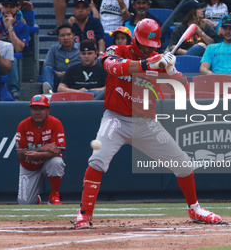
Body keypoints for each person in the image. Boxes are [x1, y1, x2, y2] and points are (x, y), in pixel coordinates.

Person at [72, 18, 222, 229]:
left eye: (151, 47)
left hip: (145, 123)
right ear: (135, 39)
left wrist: (172, 72)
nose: (146, 50)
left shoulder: (158, 60)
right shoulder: (119, 49)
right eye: (143, 45)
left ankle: (194, 209)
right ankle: (84, 214)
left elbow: (183, 93)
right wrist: (147, 64)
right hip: (116, 118)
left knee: (184, 164)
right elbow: (110, 65)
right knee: (97, 160)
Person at [15, 94, 66, 205]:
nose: (38, 112)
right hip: (29, 167)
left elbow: (57, 151)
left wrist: (37, 154)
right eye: (34, 109)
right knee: (25, 203)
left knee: (57, 162)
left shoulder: (55, 123)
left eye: (41, 109)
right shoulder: (23, 125)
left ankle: (54, 195)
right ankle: (35, 198)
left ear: (48, 110)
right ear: (30, 110)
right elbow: (20, 154)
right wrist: (43, 148)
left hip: (47, 164)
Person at [0, 0, 30, 100]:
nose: (8, 10)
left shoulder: (23, 26)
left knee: (12, 59)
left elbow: (19, 48)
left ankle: (14, 91)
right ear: (2, 8)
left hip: (11, 58)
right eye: (6, 6)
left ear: (17, 8)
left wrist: (10, 27)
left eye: (11, 7)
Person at [42, 24, 81, 93]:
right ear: (58, 38)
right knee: (47, 69)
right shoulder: (53, 49)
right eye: (62, 35)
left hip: (77, 78)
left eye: (68, 34)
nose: (66, 38)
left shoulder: (80, 48)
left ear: (73, 36)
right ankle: (48, 93)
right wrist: (58, 73)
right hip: (59, 78)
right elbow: (48, 65)